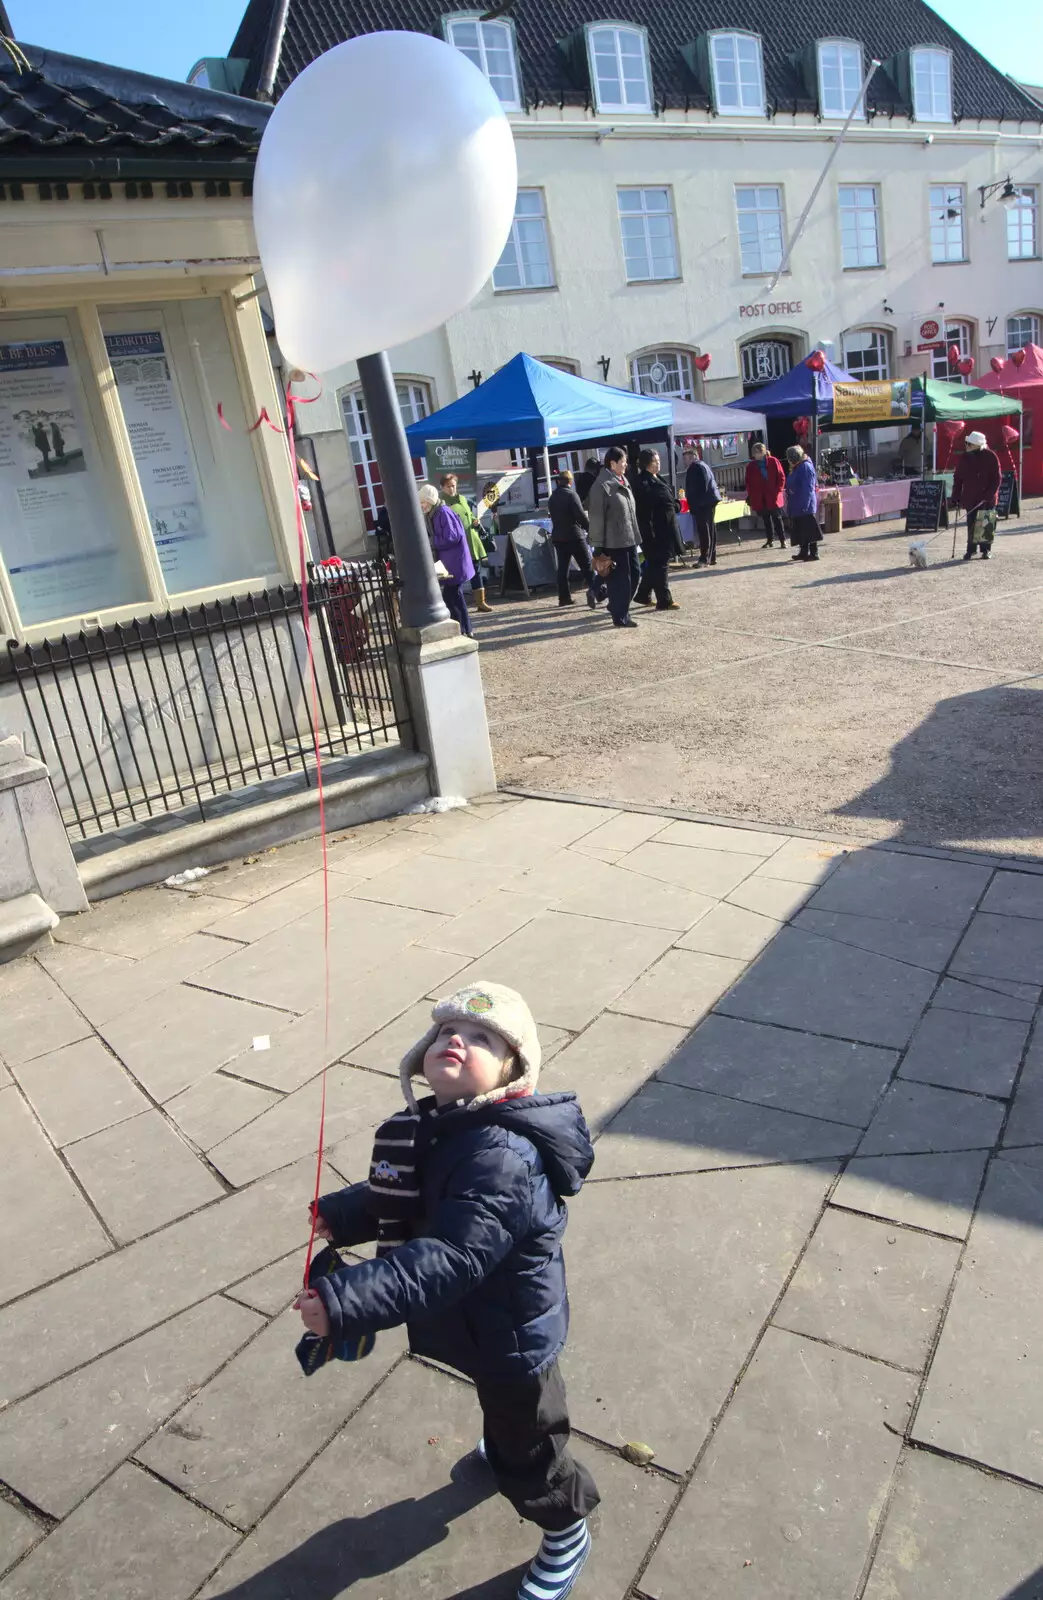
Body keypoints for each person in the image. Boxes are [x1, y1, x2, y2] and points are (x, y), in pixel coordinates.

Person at [296, 982, 599, 1600]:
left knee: (530, 1448)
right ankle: (509, 1443)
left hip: (512, 1333)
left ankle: (565, 1527)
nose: (455, 1039)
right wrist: (346, 1214)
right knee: (506, 1415)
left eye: (483, 1037)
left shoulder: (503, 1157)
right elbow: (405, 1194)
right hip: (479, 1322)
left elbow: (453, 1255)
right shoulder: (441, 1125)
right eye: (444, 1032)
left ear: (511, 1075)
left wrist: (343, 1301)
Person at [587, 445, 641, 628]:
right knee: (621, 581)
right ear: (612, 463)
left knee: (635, 574)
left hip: (629, 537)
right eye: (623, 462)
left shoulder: (623, 480)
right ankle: (620, 616)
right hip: (613, 541)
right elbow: (596, 517)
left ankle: (616, 607)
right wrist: (598, 546)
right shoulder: (601, 486)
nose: (626, 465)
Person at [418, 482, 474, 635]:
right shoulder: (436, 513)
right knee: (453, 596)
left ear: (429, 501)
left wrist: (431, 542)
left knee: (452, 596)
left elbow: (452, 537)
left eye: (423, 502)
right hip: (450, 562)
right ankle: (464, 629)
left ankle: (463, 629)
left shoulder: (442, 512)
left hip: (455, 562)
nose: (421, 506)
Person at [634, 448, 681, 610]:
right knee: (659, 564)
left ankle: (642, 595)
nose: (658, 464)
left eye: (659, 460)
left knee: (654, 564)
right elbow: (644, 511)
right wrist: (649, 532)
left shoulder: (657, 477)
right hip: (654, 531)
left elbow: (665, 497)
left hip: (666, 527)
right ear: (647, 464)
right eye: (655, 461)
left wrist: (675, 504)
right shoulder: (643, 483)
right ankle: (664, 600)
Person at [547, 469, 600, 609]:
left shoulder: (553, 497)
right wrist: (590, 529)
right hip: (574, 535)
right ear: (570, 482)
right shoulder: (571, 495)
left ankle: (564, 597)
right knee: (587, 565)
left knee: (563, 569)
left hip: (559, 536)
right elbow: (580, 516)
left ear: (559, 481)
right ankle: (597, 592)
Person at [441, 472, 492, 613]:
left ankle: (481, 602)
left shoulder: (463, 499)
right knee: (457, 573)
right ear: (442, 487)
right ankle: (453, 603)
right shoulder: (442, 504)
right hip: (456, 544)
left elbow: (470, 516)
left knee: (476, 570)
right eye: (448, 486)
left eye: (453, 486)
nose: (451, 489)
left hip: (471, 540)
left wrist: (475, 521)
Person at [952, 430, 1001, 560]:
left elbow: (996, 479)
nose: (966, 446)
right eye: (966, 443)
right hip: (970, 496)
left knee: (986, 523)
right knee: (972, 523)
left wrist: (989, 494)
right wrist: (956, 496)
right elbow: (958, 478)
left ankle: (986, 550)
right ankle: (971, 549)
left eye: (969, 444)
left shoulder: (991, 456)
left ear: (977, 445)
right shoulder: (964, 458)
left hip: (987, 497)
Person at [744, 442, 787, 549]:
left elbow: (781, 476)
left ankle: (782, 540)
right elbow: (748, 482)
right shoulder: (751, 466)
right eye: (754, 453)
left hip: (773, 495)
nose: (755, 455)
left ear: (762, 453)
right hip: (760, 496)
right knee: (766, 519)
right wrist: (752, 495)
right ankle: (770, 540)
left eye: (757, 453)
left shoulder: (773, 461)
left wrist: (778, 490)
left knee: (777, 518)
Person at [684, 446, 722, 567]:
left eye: (686, 459)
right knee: (710, 528)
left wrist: (695, 504)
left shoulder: (695, 467)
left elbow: (699, 487)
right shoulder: (703, 465)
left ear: (692, 458)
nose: (684, 462)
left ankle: (704, 558)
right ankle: (711, 557)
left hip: (702, 503)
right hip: (709, 500)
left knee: (704, 530)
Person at [785, 445, 822, 562]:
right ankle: (803, 552)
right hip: (798, 502)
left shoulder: (805, 467)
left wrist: (805, 505)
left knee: (809, 529)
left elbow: (808, 489)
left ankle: (814, 553)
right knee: (801, 529)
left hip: (804, 504)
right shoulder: (799, 466)